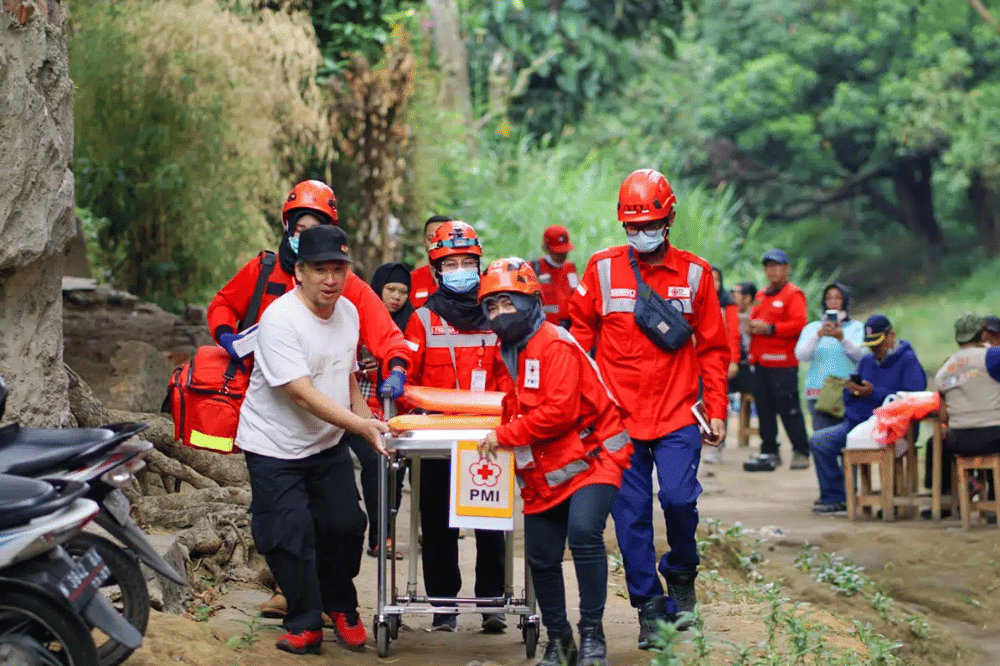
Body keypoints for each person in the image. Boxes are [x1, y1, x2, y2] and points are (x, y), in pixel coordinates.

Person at [207, 180, 411, 617]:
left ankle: (339, 579)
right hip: (273, 402)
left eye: (318, 225)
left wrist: (394, 368)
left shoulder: (348, 289)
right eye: (301, 226)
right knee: (282, 516)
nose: (328, 276)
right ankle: (293, 593)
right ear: (288, 230)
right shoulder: (263, 272)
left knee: (345, 509)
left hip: (333, 408)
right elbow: (223, 304)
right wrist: (227, 337)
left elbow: (383, 333)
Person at [569, 169, 729, 648]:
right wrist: (580, 408)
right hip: (617, 420)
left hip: (678, 414)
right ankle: (651, 609)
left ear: (670, 218)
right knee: (630, 516)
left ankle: (681, 572)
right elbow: (578, 342)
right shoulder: (599, 270)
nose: (642, 234)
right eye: (632, 227)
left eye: (651, 224)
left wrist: (716, 406)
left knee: (679, 499)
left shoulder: (696, 274)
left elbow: (714, 349)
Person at [236, 225, 390, 654]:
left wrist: (369, 419)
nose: (330, 279)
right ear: (299, 271)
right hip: (273, 448)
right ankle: (304, 620)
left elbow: (347, 375)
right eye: (320, 269)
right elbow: (301, 392)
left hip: (326, 445)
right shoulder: (279, 319)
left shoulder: (349, 313)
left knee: (346, 525)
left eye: (338, 269)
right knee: (290, 532)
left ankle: (340, 605)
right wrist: (358, 427)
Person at [476, 258, 632, 666]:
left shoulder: (555, 344)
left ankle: (593, 637)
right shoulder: (506, 351)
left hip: (595, 459)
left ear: (530, 302)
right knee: (541, 556)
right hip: (545, 471)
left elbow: (558, 412)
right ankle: (559, 641)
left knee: (583, 535)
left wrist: (503, 436)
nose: (499, 314)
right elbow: (507, 405)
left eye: (506, 303)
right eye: (490, 307)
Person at [403, 220, 508, 633]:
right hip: (435, 439)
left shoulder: (497, 313)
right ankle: (443, 605)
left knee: (489, 521)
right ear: (437, 270)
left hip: (487, 438)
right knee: (438, 522)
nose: (461, 269)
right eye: (452, 263)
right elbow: (408, 379)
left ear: (479, 264)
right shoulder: (423, 320)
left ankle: (492, 604)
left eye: (468, 261)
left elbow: (507, 374)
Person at [809, 314, 927, 513]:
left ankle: (887, 500)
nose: (875, 349)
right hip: (857, 425)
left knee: (881, 443)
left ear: (891, 336)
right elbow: (848, 397)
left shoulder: (908, 360)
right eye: (871, 344)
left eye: (879, 343)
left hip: (895, 431)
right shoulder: (866, 362)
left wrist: (874, 393)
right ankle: (837, 498)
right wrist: (853, 391)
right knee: (819, 441)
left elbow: (912, 398)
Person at [357, 262, 415, 559]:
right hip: (359, 404)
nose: (396, 297)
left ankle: (386, 537)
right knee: (372, 465)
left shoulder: (412, 322)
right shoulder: (356, 316)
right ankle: (373, 534)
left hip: (398, 408)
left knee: (397, 472)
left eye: (403, 292)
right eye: (390, 289)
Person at [743, 249, 810, 472]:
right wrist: (750, 326)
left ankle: (801, 451)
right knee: (764, 409)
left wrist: (770, 329)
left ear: (786, 268)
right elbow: (754, 318)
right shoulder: (761, 295)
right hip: (760, 363)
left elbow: (800, 325)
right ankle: (769, 451)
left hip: (783, 364)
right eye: (768, 266)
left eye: (776, 265)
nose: (771, 270)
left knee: (789, 409)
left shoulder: (793, 294)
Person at [934, 313, 1000, 490]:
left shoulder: (945, 368)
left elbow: (942, 407)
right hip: (993, 436)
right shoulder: (992, 357)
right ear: (984, 335)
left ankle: (970, 487)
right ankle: (995, 499)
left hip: (959, 439)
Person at [794, 283, 866, 433]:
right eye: (829, 298)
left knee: (848, 441)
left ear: (845, 301)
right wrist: (818, 335)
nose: (833, 301)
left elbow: (862, 356)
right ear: (824, 302)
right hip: (818, 393)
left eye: (838, 297)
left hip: (848, 392)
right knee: (822, 439)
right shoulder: (813, 328)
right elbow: (801, 355)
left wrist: (842, 338)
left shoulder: (857, 327)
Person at [704, 266, 741, 464]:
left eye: (717, 280)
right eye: (710, 279)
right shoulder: (696, 301)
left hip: (720, 361)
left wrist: (733, 361)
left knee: (718, 402)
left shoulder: (729, 305)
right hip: (696, 361)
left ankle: (716, 444)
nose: (714, 283)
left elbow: (733, 335)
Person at [532, 225, 580, 329]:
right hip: (546, 330)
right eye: (557, 252)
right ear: (546, 249)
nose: (562, 255)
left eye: (565, 251)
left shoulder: (571, 268)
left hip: (570, 329)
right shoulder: (535, 269)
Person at [409, 215, 451, 308]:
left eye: (442, 238)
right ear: (424, 242)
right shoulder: (410, 280)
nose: (436, 244)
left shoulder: (468, 279)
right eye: (431, 239)